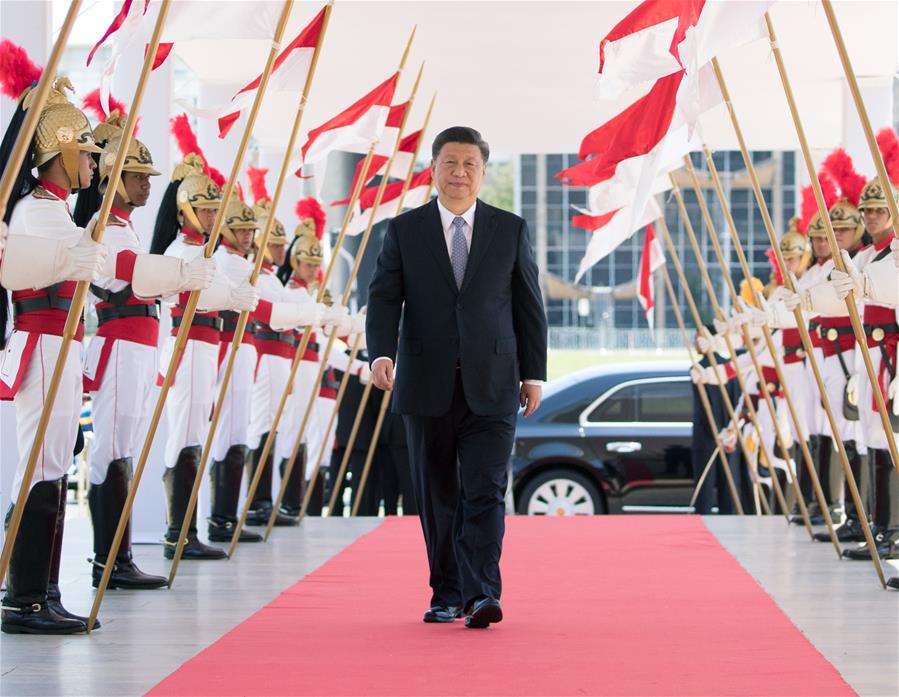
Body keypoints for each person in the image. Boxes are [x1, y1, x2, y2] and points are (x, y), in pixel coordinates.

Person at [367, 126, 548, 629]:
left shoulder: (509, 229)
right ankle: (446, 593)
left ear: (484, 172)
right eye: (450, 163)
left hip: (494, 384)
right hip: (425, 385)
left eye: (470, 164)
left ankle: (482, 593)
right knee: (437, 495)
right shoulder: (404, 230)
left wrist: (534, 374)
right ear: (434, 169)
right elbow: (383, 298)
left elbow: (529, 306)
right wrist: (379, 354)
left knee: (486, 491)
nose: (460, 173)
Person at [74, 109, 214, 589]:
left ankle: (119, 555)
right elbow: (130, 272)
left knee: (125, 449)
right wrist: (181, 274)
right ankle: (108, 561)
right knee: (112, 450)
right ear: (111, 178)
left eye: (148, 176)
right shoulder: (105, 225)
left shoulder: (122, 225)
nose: (146, 184)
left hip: (138, 345)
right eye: (136, 175)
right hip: (120, 344)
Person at [0, 75, 107, 634]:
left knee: (56, 462)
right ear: (61, 152)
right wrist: (74, 256)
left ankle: (44, 590)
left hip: (62, 342)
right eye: (85, 151)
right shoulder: (35, 209)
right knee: (41, 464)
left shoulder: (58, 210)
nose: (92, 161)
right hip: (42, 341)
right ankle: (23, 599)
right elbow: (23, 266)